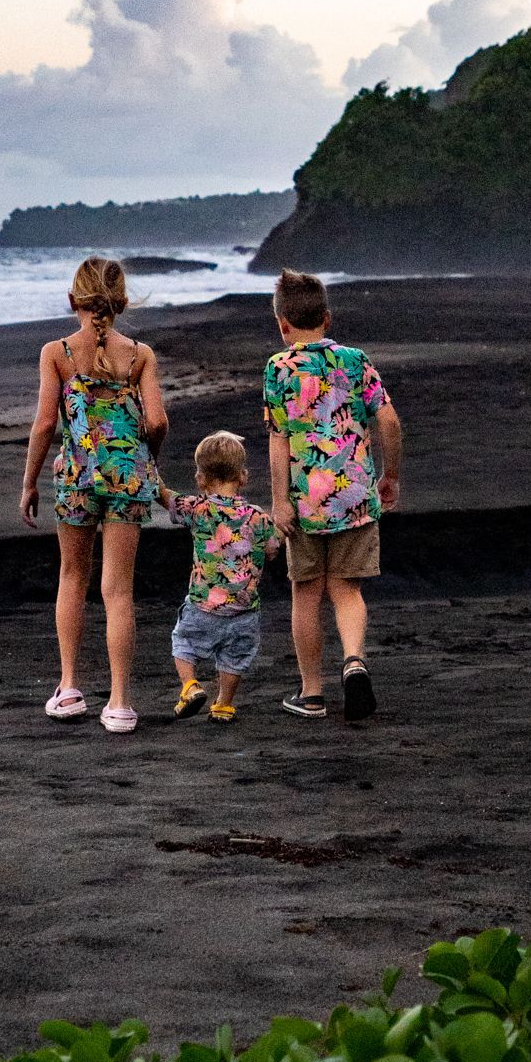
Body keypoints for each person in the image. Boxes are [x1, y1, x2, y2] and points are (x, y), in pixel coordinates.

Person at [20, 256, 167, 733]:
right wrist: (147, 458)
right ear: (120, 303)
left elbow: (46, 423)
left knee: (72, 576)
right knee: (118, 589)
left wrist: (29, 482)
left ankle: (68, 688)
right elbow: (159, 420)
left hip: (77, 477)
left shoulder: (57, 352)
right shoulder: (140, 354)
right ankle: (120, 703)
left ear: (72, 301)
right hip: (128, 479)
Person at [263, 269, 402, 722]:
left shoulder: (279, 369)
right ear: (328, 317)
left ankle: (312, 693)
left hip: (304, 504)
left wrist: (279, 501)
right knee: (346, 591)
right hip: (355, 498)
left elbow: (279, 439)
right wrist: (390, 475)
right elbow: (389, 422)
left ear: (283, 324)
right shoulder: (355, 360)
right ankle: (355, 661)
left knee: (306, 594)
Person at [157, 430, 280, 726]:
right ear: (243, 477)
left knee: (183, 643)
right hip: (243, 609)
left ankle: (190, 686)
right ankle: (223, 704)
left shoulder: (197, 509)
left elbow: (164, 497)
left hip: (203, 604)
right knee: (235, 658)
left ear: (200, 479)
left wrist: (149, 465)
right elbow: (273, 548)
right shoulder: (258, 516)